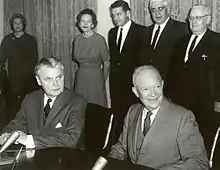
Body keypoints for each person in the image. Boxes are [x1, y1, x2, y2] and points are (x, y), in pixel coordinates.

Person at [108, 65, 209, 169]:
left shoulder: (183, 118)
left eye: (157, 87)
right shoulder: (132, 111)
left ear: (162, 84)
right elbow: (122, 147)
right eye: (145, 89)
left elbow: (199, 162)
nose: (153, 94)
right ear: (136, 92)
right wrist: (108, 163)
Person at [167, 4, 220, 156]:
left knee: (203, 140)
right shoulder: (180, 42)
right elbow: (172, 71)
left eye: (198, 18)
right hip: (181, 101)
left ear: (208, 19)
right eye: (191, 18)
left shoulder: (217, 41)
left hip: (205, 103)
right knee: (182, 138)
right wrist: (169, 96)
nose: (194, 22)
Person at [0, 57, 87, 149]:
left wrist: (30, 140)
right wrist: (6, 135)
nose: (56, 84)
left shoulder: (76, 102)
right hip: (36, 157)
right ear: (38, 80)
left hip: (68, 158)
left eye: (59, 77)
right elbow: (18, 123)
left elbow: (71, 140)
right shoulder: (31, 99)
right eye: (49, 79)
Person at [108, 0, 147, 140]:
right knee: (118, 114)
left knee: (134, 116)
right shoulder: (112, 33)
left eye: (119, 14)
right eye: (113, 15)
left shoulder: (142, 31)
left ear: (128, 13)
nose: (116, 18)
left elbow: (143, 60)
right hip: (116, 84)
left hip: (133, 84)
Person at [0, 13, 38, 121]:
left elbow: (34, 59)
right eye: (15, 23)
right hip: (12, 78)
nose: (17, 25)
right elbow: (1, 59)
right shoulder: (7, 40)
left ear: (23, 24)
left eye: (20, 23)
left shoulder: (30, 40)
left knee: (26, 105)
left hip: (27, 77)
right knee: (12, 106)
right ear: (12, 25)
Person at [139, 0, 188, 81]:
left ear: (167, 9)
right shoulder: (145, 32)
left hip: (172, 84)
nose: (157, 13)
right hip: (149, 84)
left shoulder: (181, 29)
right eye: (153, 10)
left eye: (160, 9)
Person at [72, 8, 110, 107]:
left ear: (93, 24)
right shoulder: (77, 40)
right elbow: (75, 58)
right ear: (79, 24)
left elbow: (107, 62)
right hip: (81, 77)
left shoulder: (99, 40)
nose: (85, 24)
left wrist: (103, 78)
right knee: (80, 106)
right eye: (83, 21)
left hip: (95, 77)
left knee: (96, 106)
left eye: (89, 21)